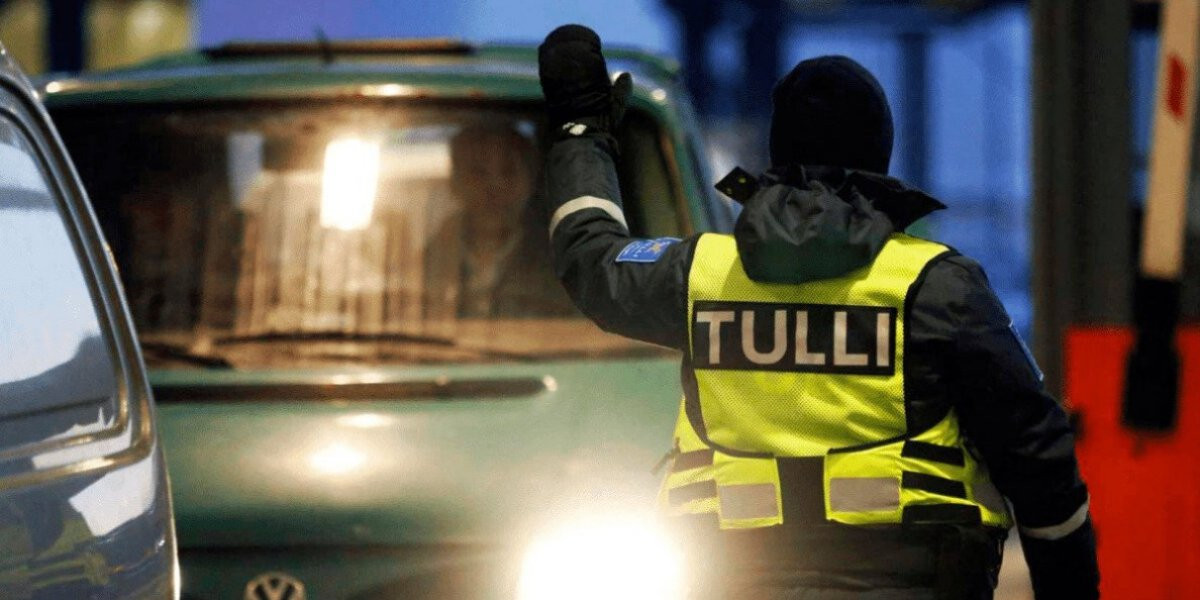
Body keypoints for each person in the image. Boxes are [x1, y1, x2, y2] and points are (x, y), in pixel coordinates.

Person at [537, 24, 1099, 600]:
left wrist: (581, 132)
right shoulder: (936, 286)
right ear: (880, 155)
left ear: (777, 153)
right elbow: (1038, 457)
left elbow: (591, 258)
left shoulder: (701, 274)